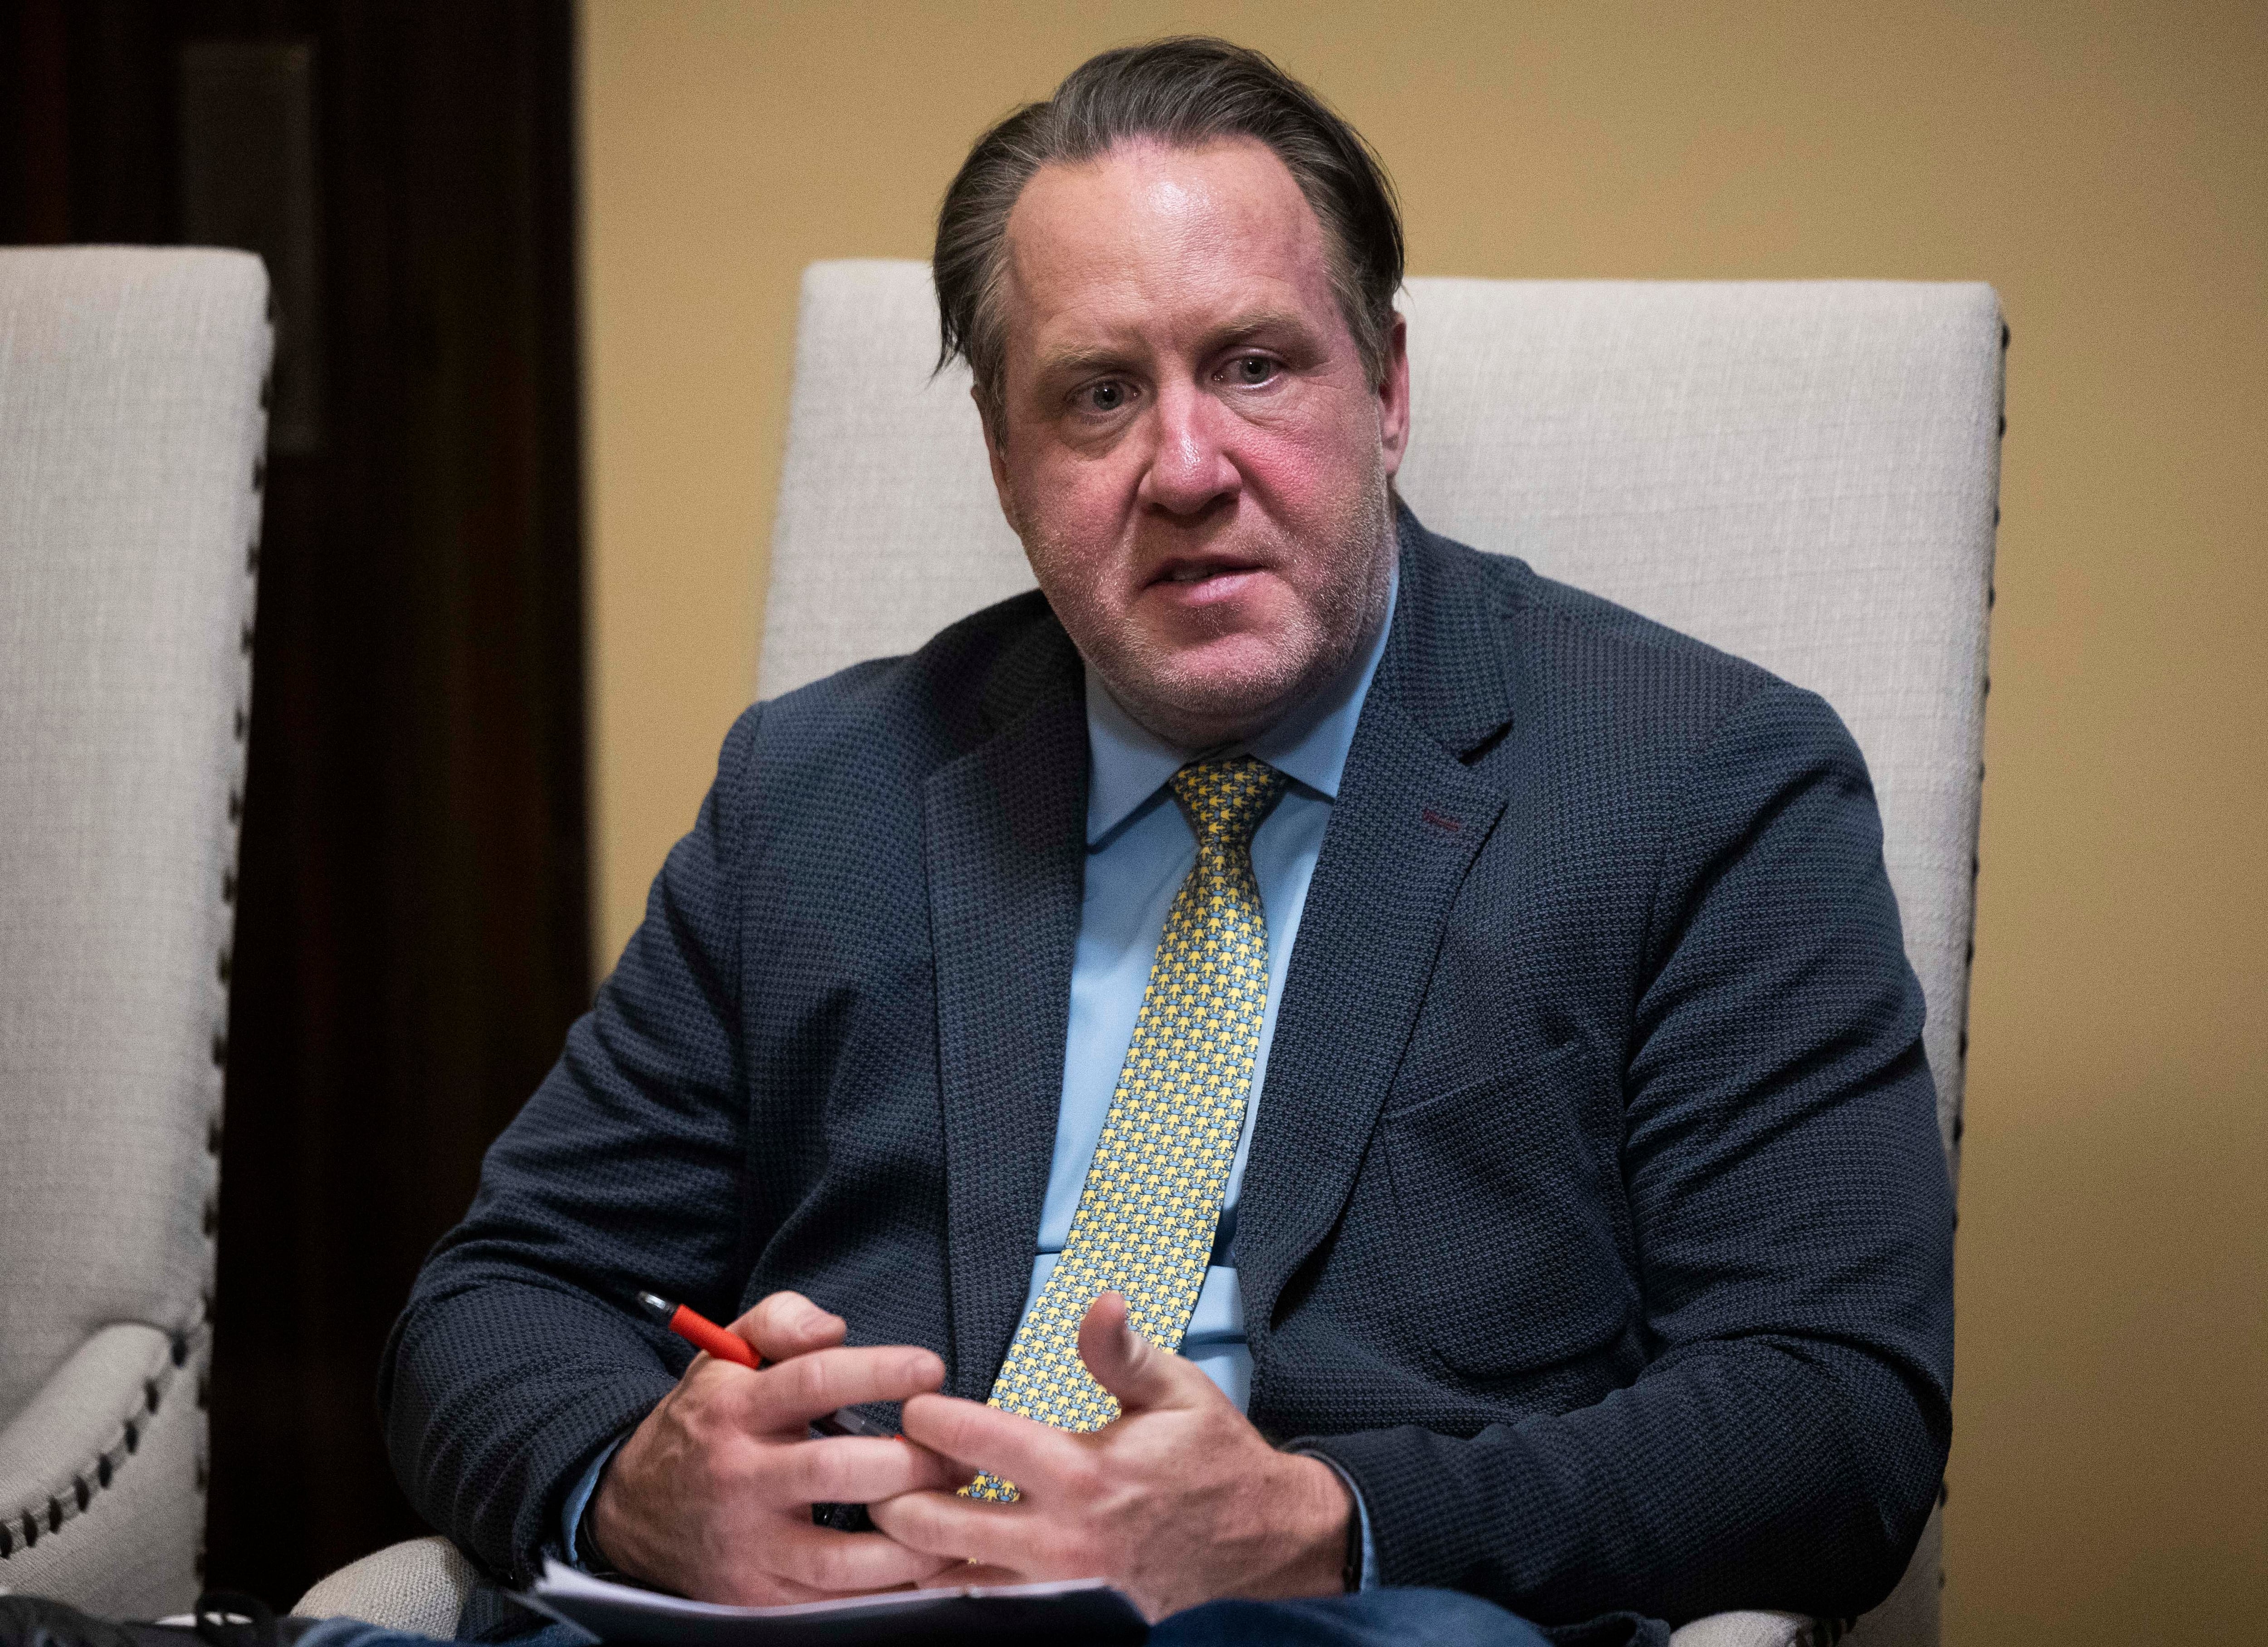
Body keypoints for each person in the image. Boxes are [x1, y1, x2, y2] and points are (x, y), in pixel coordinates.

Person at [380, 37, 1952, 1647]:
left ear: (1388, 389)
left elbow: (1834, 1411)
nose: (1187, 470)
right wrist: (629, 1488)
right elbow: (504, 1296)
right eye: (1100, 395)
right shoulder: (814, 796)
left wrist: (1327, 1529)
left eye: (1256, 366)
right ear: (1004, 456)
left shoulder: (1695, 784)